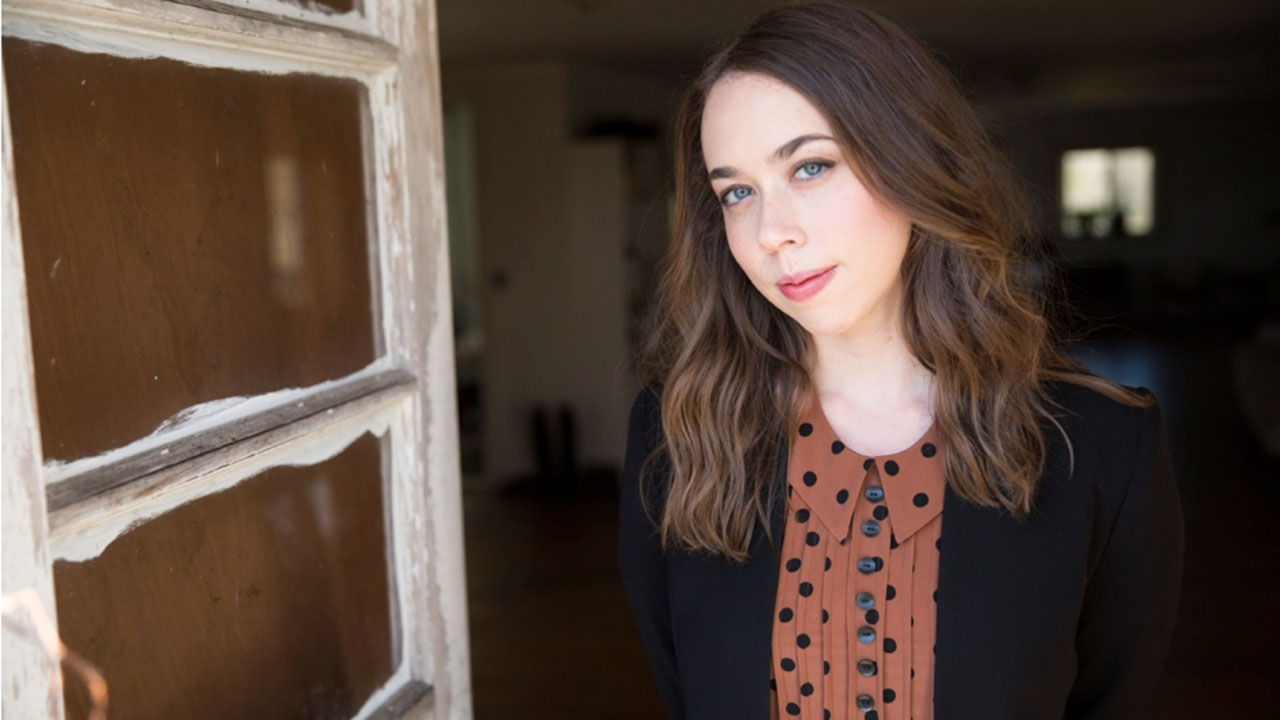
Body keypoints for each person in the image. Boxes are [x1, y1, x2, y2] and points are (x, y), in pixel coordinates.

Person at [617, 3, 1184, 720]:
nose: (770, 232)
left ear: (911, 159)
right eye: (737, 192)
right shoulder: (675, 439)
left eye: (811, 167)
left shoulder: (1103, 447)